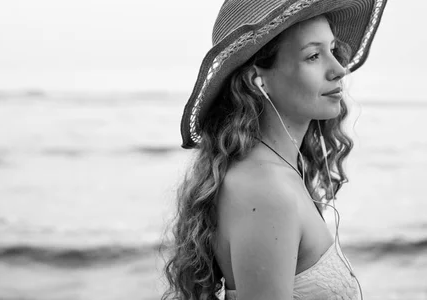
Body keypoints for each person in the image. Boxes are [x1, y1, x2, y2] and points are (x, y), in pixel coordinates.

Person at [163, 0, 388, 299]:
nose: (338, 69)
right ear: (259, 80)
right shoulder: (266, 191)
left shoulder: (277, 172)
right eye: (313, 56)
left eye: (332, 51)